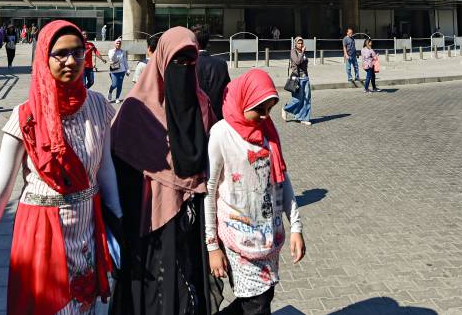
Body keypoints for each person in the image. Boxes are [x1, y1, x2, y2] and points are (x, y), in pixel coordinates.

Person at [0, 20, 120, 313]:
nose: (71, 61)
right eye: (60, 54)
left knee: (87, 305)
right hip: (42, 235)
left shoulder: (97, 106)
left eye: (77, 52)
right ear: (43, 58)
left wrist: (119, 226)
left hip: (87, 231)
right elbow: (0, 190)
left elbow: (105, 168)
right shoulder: (25, 116)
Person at [109, 27, 217, 314]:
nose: (183, 68)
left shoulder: (202, 104)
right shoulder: (135, 109)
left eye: (189, 62)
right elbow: (116, 170)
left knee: (187, 289)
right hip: (148, 219)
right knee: (155, 291)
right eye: (176, 62)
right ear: (162, 61)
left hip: (192, 219)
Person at [205, 69, 305, 315]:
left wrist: (296, 227)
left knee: (264, 294)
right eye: (259, 110)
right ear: (244, 101)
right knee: (256, 303)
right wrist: (212, 247)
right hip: (237, 237)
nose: (265, 116)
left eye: (269, 109)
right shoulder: (221, 133)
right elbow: (210, 189)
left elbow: (281, 178)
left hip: (268, 235)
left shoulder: (268, 132)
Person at [193, 25, 231, 121]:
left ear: (193, 42)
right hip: (218, 115)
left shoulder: (188, 64)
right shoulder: (221, 64)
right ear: (207, 42)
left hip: (196, 116)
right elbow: (227, 90)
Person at [282, 37, 312, 126]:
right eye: (298, 43)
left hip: (305, 78)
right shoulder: (293, 52)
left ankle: (304, 118)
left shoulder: (302, 52)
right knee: (297, 99)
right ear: (295, 44)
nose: (300, 45)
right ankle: (286, 109)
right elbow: (298, 62)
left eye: (301, 43)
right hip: (297, 79)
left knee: (307, 99)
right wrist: (302, 52)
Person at [107, 38, 129, 103]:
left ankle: (117, 98)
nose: (118, 44)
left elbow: (125, 61)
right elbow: (111, 58)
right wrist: (115, 51)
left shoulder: (123, 52)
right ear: (115, 44)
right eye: (117, 43)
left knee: (120, 85)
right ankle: (110, 91)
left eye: (119, 43)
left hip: (122, 71)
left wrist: (127, 69)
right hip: (114, 70)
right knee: (114, 84)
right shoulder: (111, 51)